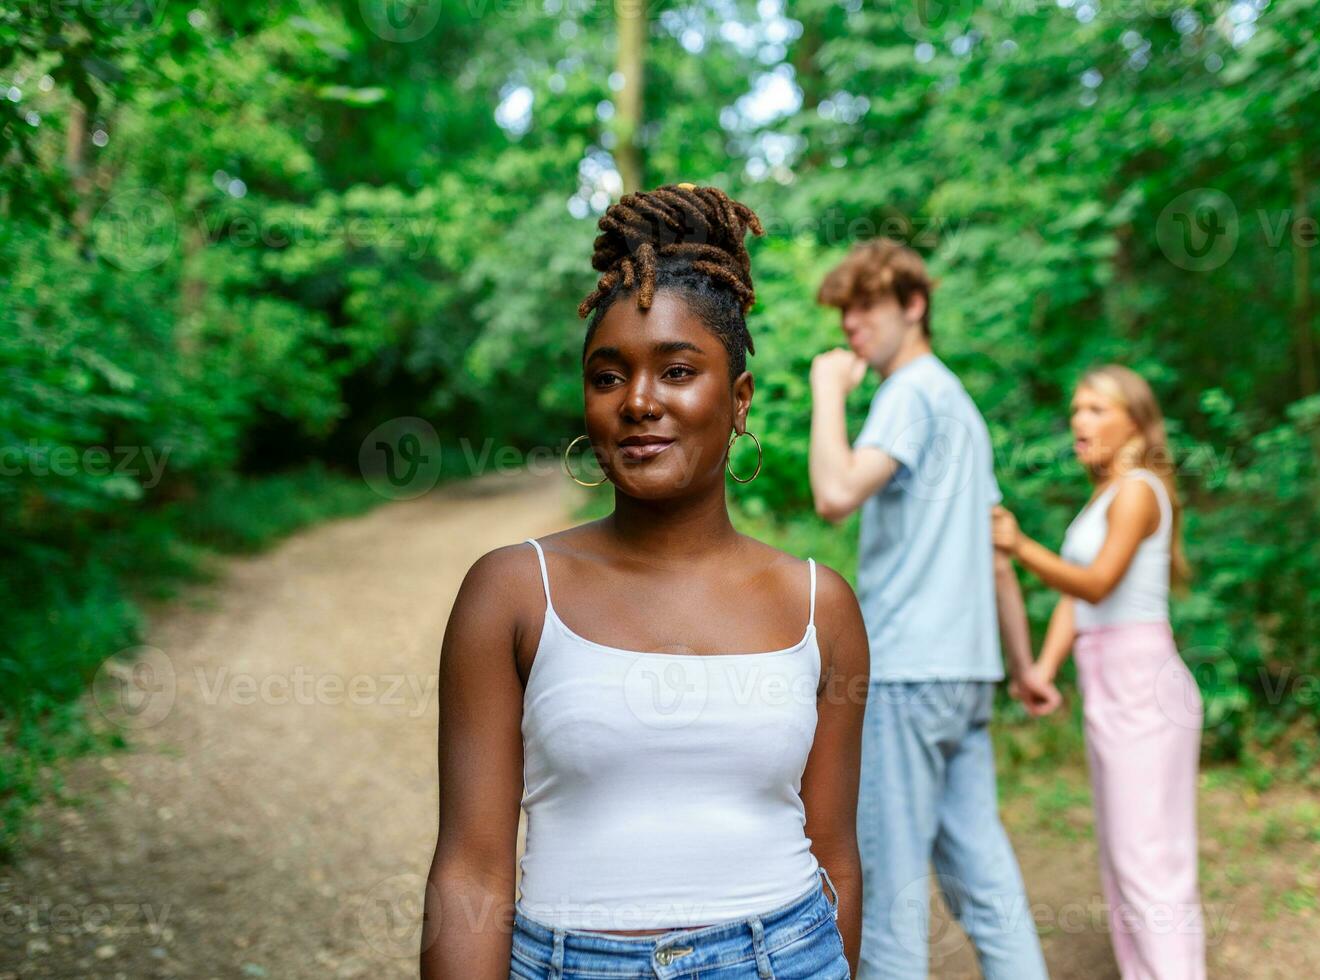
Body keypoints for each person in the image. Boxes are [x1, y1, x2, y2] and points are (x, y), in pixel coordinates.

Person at [421, 183, 869, 980]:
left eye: (677, 370)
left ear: (737, 401)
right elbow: (471, 870)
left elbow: (835, 851)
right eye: (608, 376)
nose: (638, 402)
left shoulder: (818, 607)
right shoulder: (514, 594)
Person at [807, 238, 1054, 980]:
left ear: (913, 307)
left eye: (867, 307)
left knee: (890, 903)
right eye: (845, 311)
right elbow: (997, 555)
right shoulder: (962, 407)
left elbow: (836, 493)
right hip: (966, 678)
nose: (851, 325)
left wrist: (827, 392)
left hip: (910, 675)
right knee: (987, 887)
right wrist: (1022, 668)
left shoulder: (909, 393)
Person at [991, 364, 1206, 980]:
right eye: (1076, 409)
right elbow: (1078, 599)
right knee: (1121, 860)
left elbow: (1097, 581)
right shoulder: (1108, 491)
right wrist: (1044, 669)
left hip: (1145, 688)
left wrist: (1020, 546)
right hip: (1108, 686)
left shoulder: (1139, 489)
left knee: (1149, 862)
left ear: (1134, 422)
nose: (1077, 421)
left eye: (1094, 409)